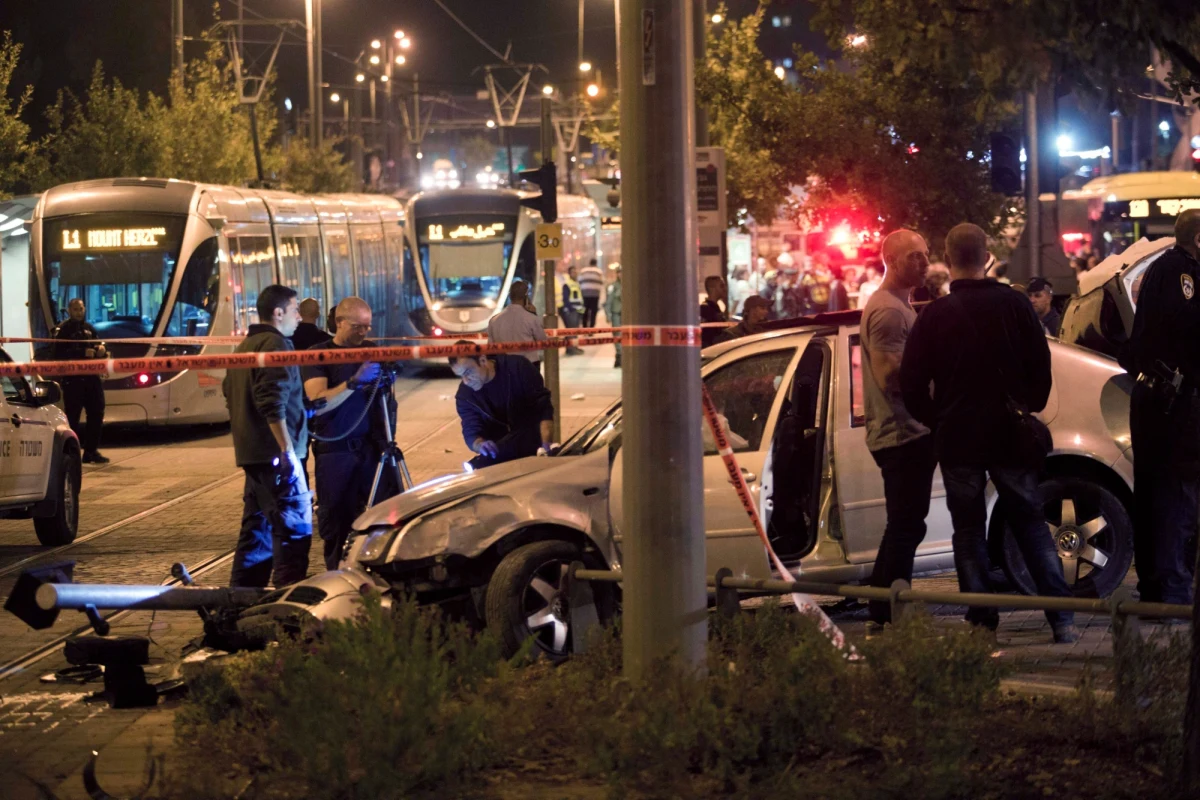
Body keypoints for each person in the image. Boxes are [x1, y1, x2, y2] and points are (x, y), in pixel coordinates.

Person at [901, 222, 1078, 644]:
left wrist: (936, 417)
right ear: (986, 258)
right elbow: (1041, 365)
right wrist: (1027, 406)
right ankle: (1062, 619)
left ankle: (982, 622)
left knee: (967, 530)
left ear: (948, 258)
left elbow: (909, 383)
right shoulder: (1015, 306)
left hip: (959, 436)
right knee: (1030, 523)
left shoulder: (935, 315)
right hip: (1009, 434)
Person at [1121, 208, 1200, 607]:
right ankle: (1170, 589)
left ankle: (1154, 585)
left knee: (1154, 494)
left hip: (1153, 397)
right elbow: (1188, 328)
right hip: (1175, 402)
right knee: (1177, 495)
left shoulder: (1159, 269)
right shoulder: (1183, 273)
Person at [859, 230, 935, 632]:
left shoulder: (898, 305)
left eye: (925, 255)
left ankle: (881, 604)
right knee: (907, 524)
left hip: (906, 431)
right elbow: (890, 376)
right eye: (913, 257)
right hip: (902, 434)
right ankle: (890, 607)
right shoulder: (888, 311)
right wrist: (931, 404)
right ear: (890, 259)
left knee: (906, 523)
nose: (923, 263)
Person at [223, 284, 312, 588]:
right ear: (278, 313)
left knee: (256, 536)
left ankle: (240, 607)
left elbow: (230, 395)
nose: (299, 317)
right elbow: (271, 401)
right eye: (295, 309)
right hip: (278, 459)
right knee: (292, 534)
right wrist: (287, 451)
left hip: (254, 456)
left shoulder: (245, 346)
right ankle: (286, 610)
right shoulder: (275, 346)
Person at [303, 297, 398, 571]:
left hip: (373, 450)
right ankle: (337, 575)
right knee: (337, 523)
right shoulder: (318, 354)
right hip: (337, 452)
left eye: (367, 327)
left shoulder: (371, 350)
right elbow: (317, 402)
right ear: (339, 323)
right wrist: (355, 382)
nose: (363, 333)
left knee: (383, 517)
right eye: (357, 327)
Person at [450, 347, 554, 469]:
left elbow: (542, 407)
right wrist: (480, 445)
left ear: (483, 360)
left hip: (531, 443)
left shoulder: (518, 368)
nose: (466, 381)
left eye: (468, 372)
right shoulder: (465, 396)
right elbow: (471, 430)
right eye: (461, 376)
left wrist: (546, 444)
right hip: (499, 453)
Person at [52, 299, 109, 464]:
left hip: (92, 378)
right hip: (73, 380)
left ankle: (91, 451)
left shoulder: (89, 328)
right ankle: (71, 452)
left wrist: (101, 350)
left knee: (97, 412)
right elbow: (57, 354)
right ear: (69, 310)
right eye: (75, 309)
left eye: (81, 308)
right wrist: (82, 352)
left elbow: (99, 344)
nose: (79, 312)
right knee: (73, 417)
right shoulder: (63, 330)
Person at [487, 280, 548, 370]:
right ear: (526, 297)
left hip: (504, 367)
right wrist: (534, 314)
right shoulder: (531, 318)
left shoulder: (494, 320)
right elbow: (542, 341)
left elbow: (490, 348)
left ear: (510, 296)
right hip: (529, 365)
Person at [558, 267, 585, 355]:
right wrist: (569, 309)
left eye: (576, 272)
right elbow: (566, 299)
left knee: (574, 331)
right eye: (573, 272)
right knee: (571, 331)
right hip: (571, 311)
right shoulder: (567, 284)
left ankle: (573, 347)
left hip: (577, 310)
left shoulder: (576, 283)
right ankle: (571, 349)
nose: (575, 273)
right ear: (569, 274)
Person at [700, 275, 728, 348]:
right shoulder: (705, 310)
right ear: (711, 288)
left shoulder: (716, 308)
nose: (725, 289)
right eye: (721, 286)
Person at [578, 258, 605, 328]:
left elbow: (579, 281)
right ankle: (591, 328)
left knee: (584, 311)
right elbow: (602, 282)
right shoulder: (599, 272)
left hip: (585, 294)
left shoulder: (583, 271)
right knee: (593, 312)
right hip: (595, 295)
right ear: (596, 264)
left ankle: (584, 327)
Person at [604, 265, 623, 368]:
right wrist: (608, 314)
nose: (621, 274)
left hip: (627, 315)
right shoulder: (613, 286)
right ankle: (619, 355)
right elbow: (608, 302)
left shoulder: (630, 286)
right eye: (619, 272)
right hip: (616, 313)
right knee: (617, 335)